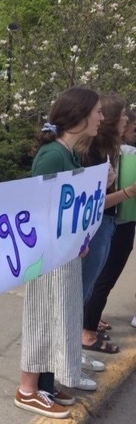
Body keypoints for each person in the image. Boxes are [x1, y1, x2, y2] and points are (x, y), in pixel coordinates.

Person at [15, 87, 103, 419]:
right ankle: (27, 389)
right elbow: (40, 210)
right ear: (80, 117)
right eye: (96, 111)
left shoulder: (69, 155)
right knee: (43, 313)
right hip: (49, 255)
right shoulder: (53, 156)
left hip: (63, 253)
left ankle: (45, 383)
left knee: (59, 315)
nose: (101, 117)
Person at [78, 95, 136, 356]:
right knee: (92, 284)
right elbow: (95, 201)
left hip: (112, 222)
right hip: (104, 224)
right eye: (123, 114)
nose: (128, 118)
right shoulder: (96, 152)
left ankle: (87, 327)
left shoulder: (111, 150)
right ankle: (86, 334)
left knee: (93, 285)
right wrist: (128, 192)